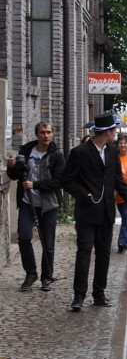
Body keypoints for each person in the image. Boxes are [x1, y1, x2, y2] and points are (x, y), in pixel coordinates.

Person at [62, 113, 127, 311]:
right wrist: (83, 194)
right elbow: (67, 180)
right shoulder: (80, 152)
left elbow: (118, 178)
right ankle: (78, 296)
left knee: (103, 254)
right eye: (114, 131)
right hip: (86, 212)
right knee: (84, 253)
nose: (116, 134)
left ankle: (99, 293)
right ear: (107, 132)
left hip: (106, 212)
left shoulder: (111, 152)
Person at [6, 121, 65, 292]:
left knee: (48, 242)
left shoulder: (56, 155)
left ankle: (46, 276)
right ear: (37, 134)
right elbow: (17, 176)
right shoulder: (26, 151)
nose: (46, 136)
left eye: (48, 132)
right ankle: (31, 273)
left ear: (52, 134)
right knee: (24, 237)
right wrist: (11, 168)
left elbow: (58, 181)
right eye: (42, 132)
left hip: (48, 205)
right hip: (27, 202)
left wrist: (35, 185)